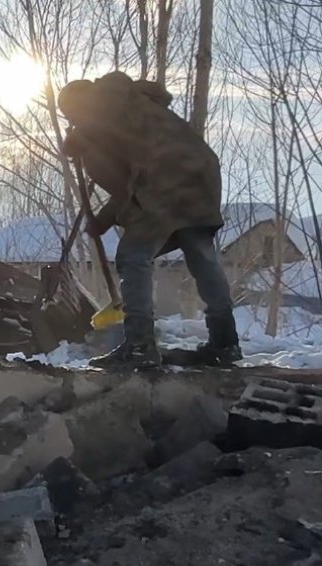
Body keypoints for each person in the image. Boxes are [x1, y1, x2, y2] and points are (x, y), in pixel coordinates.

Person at [59, 72, 240, 369]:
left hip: (161, 179)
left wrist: (82, 144)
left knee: (134, 256)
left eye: (72, 116)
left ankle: (140, 346)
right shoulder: (137, 101)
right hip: (202, 174)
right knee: (201, 256)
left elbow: (125, 188)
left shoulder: (98, 116)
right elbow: (131, 182)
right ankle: (225, 342)